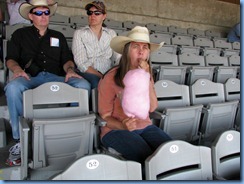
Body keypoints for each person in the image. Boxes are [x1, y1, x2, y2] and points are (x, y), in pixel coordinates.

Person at [4, 0, 90, 166]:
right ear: (31, 16)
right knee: (13, 88)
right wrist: (16, 70)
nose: (43, 16)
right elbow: (11, 59)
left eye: (46, 12)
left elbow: (67, 60)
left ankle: (71, 130)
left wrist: (70, 70)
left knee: (83, 86)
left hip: (55, 77)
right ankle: (20, 139)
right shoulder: (19, 35)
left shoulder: (58, 36)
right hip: (30, 77)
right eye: (38, 13)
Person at [98, 26, 172, 165]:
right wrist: (122, 125)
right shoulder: (110, 77)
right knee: (148, 158)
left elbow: (152, 107)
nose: (141, 51)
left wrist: (147, 76)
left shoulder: (146, 74)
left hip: (145, 126)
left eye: (145, 47)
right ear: (126, 51)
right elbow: (105, 117)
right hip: (115, 130)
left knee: (171, 150)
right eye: (135, 46)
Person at [72, 0, 121, 89]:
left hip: (108, 72)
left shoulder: (111, 34)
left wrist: (115, 73)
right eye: (90, 13)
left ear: (104, 16)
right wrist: (101, 76)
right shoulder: (79, 33)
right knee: (98, 82)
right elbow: (81, 62)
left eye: (97, 13)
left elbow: (118, 58)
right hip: (87, 73)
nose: (92, 16)